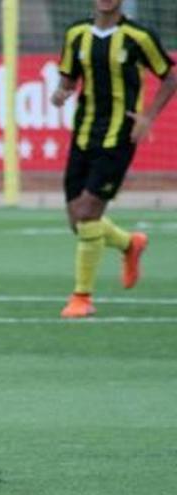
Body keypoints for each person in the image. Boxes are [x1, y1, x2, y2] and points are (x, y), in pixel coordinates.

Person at [52, 0, 176, 318]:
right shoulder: (76, 34)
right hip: (83, 134)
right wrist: (60, 92)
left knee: (87, 212)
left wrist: (147, 117)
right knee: (76, 221)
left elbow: (170, 75)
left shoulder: (139, 36)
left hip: (120, 136)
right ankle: (129, 243)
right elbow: (68, 79)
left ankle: (82, 297)